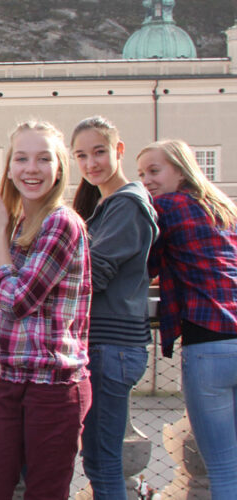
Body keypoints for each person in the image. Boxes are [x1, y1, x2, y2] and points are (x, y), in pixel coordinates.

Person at [0, 121, 92, 499]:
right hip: (15, 378)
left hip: (54, 385)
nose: (30, 168)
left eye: (43, 159)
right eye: (21, 158)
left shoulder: (61, 222)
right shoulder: (28, 222)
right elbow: (26, 302)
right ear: (9, 167)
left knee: (45, 493)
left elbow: (18, 299)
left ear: (59, 169)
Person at [137, 139, 237, 500]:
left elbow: (139, 266)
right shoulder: (222, 208)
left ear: (180, 170)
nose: (146, 180)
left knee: (224, 471)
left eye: (154, 170)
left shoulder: (165, 206)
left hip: (208, 345)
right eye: (141, 173)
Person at [71, 116, 158, 500]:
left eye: (100, 152)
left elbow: (94, 274)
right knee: (98, 459)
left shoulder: (127, 205)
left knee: (102, 463)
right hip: (110, 345)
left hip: (113, 346)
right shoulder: (111, 203)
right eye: (82, 155)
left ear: (119, 151)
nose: (92, 163)